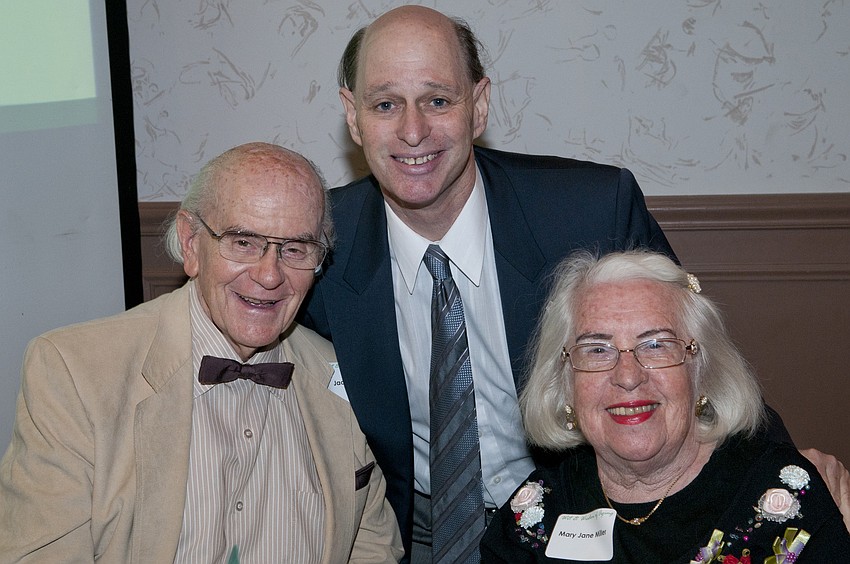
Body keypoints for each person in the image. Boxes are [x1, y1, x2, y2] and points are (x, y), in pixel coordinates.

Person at [298, 5, 675, 561]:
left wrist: (791, 478)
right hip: (408, 533)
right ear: (353, 117)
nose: (412, 131)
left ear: (479, 106)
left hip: (587, 518)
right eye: (385, 105)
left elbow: (694, 367)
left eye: (438, 100)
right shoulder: (318, 247)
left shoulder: (591, 215)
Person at [0, 142, 403, 562]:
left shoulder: (343, 376)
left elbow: (371, 547)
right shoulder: (74, 372)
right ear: (191, 243)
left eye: (295, 249)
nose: (269, 275)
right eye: (244, 242)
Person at [480, 250, 850, 562]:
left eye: (656, 345)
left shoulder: (784, 502)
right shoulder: (534, 514)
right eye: (597, 349)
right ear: (565, 384)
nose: (628, 376)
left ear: (701, 370)